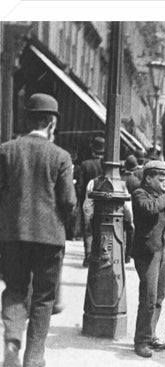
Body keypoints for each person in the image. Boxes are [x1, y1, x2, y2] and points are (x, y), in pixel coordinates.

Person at [0, 93, 77, 367]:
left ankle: (12, 342)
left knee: (15, 290)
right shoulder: (61, 156)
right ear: (52, 124)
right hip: (48, 238)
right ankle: (33, 358)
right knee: (44, 299)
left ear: (27, 118)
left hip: (12, 236)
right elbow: (68, 201)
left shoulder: (6, 150)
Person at [131, 160, 165, 358]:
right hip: (148, 251)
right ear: (148, 178)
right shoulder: (139, 194)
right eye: (161, 179)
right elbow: (150, 209)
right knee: (148, 298)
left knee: (159, 297)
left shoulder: (161, 195)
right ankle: (141, 341)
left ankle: (150, 335)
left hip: (162, 249)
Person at [83, 160, 135, 265]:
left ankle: (89, 256)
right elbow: (127, 206)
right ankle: (123, 257)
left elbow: (88, 205)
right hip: (115, 219)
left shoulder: (93, 182)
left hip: (97, 219)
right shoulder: (120, 184)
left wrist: (88, 218)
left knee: (93, 237)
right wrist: (130, 220)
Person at [78, 136, 105, 267]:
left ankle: (88, 255)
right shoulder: (106, 165)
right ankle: (100, 254)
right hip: (104, 201)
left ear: (92, 149)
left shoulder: (85, 164)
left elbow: (80, 187)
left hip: (88, 200)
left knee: (88, 229)